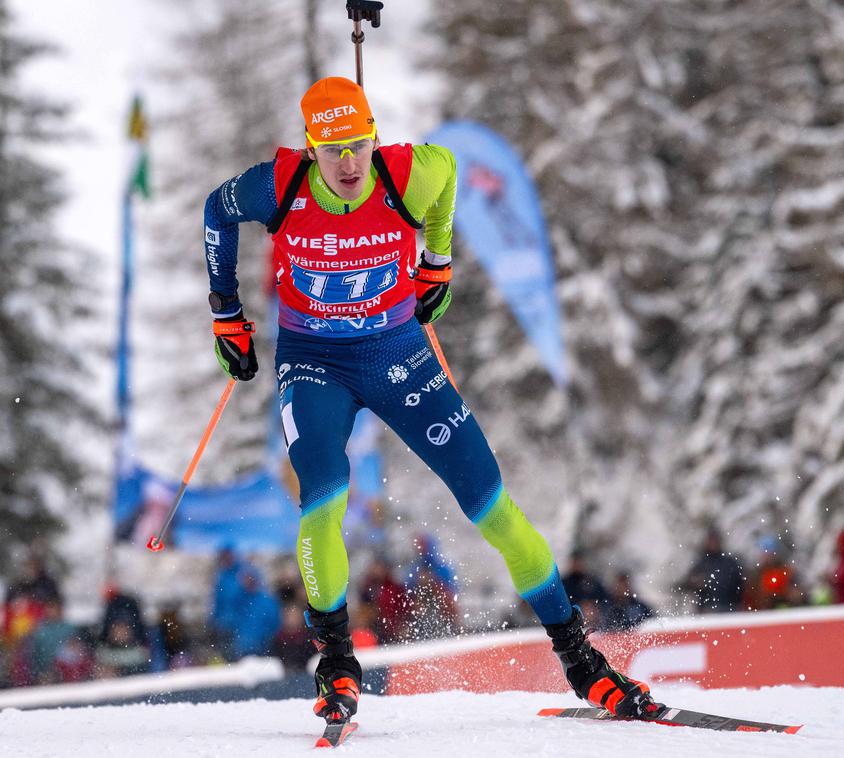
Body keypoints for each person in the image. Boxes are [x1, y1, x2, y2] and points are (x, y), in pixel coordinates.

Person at [201, 76, 657, 725]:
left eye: (359, 144)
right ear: (310, 150)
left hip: (398, 357)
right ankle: (336, 662)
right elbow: (215, 212)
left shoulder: (411, 172)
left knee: (491, 503)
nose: (350, 163)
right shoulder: (277, 185)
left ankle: (584, 664)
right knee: (324, 496)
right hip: (314, 364)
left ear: (374, 138)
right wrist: (226, 314)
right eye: (334, 151)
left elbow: (449, 180)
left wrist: (437, 259)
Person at [680, 528, 746, 613]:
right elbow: (688, 585)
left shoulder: (730, 563)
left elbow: (740, 585)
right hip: (707, 610)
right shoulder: (701, 564)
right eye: (711, 541)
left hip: (729, 609)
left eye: (715, 541)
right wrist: (696, 583)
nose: (713, 544)